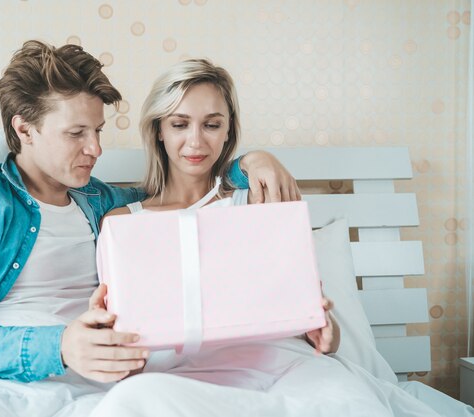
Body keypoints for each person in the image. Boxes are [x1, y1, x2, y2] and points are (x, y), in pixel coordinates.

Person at [0, 40, 300, 416]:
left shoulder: (103, 202)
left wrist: (246, 165)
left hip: (99, 382)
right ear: (24, 129)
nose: (95, 149)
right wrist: (59, 346)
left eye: (99, 131)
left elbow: (180, 198)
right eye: (76, 133)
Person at [89, 58, 446, 417]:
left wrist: (323, 329)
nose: (195, 141)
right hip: (184, 380)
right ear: (159, 130)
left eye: (212, 125)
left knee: (346, 401)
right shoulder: (123, 225)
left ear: (229, 131)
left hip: (290, 368)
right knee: (130, 402)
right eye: (180, 124)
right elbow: (125, 346)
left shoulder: (260, 199)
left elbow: (324, 332)